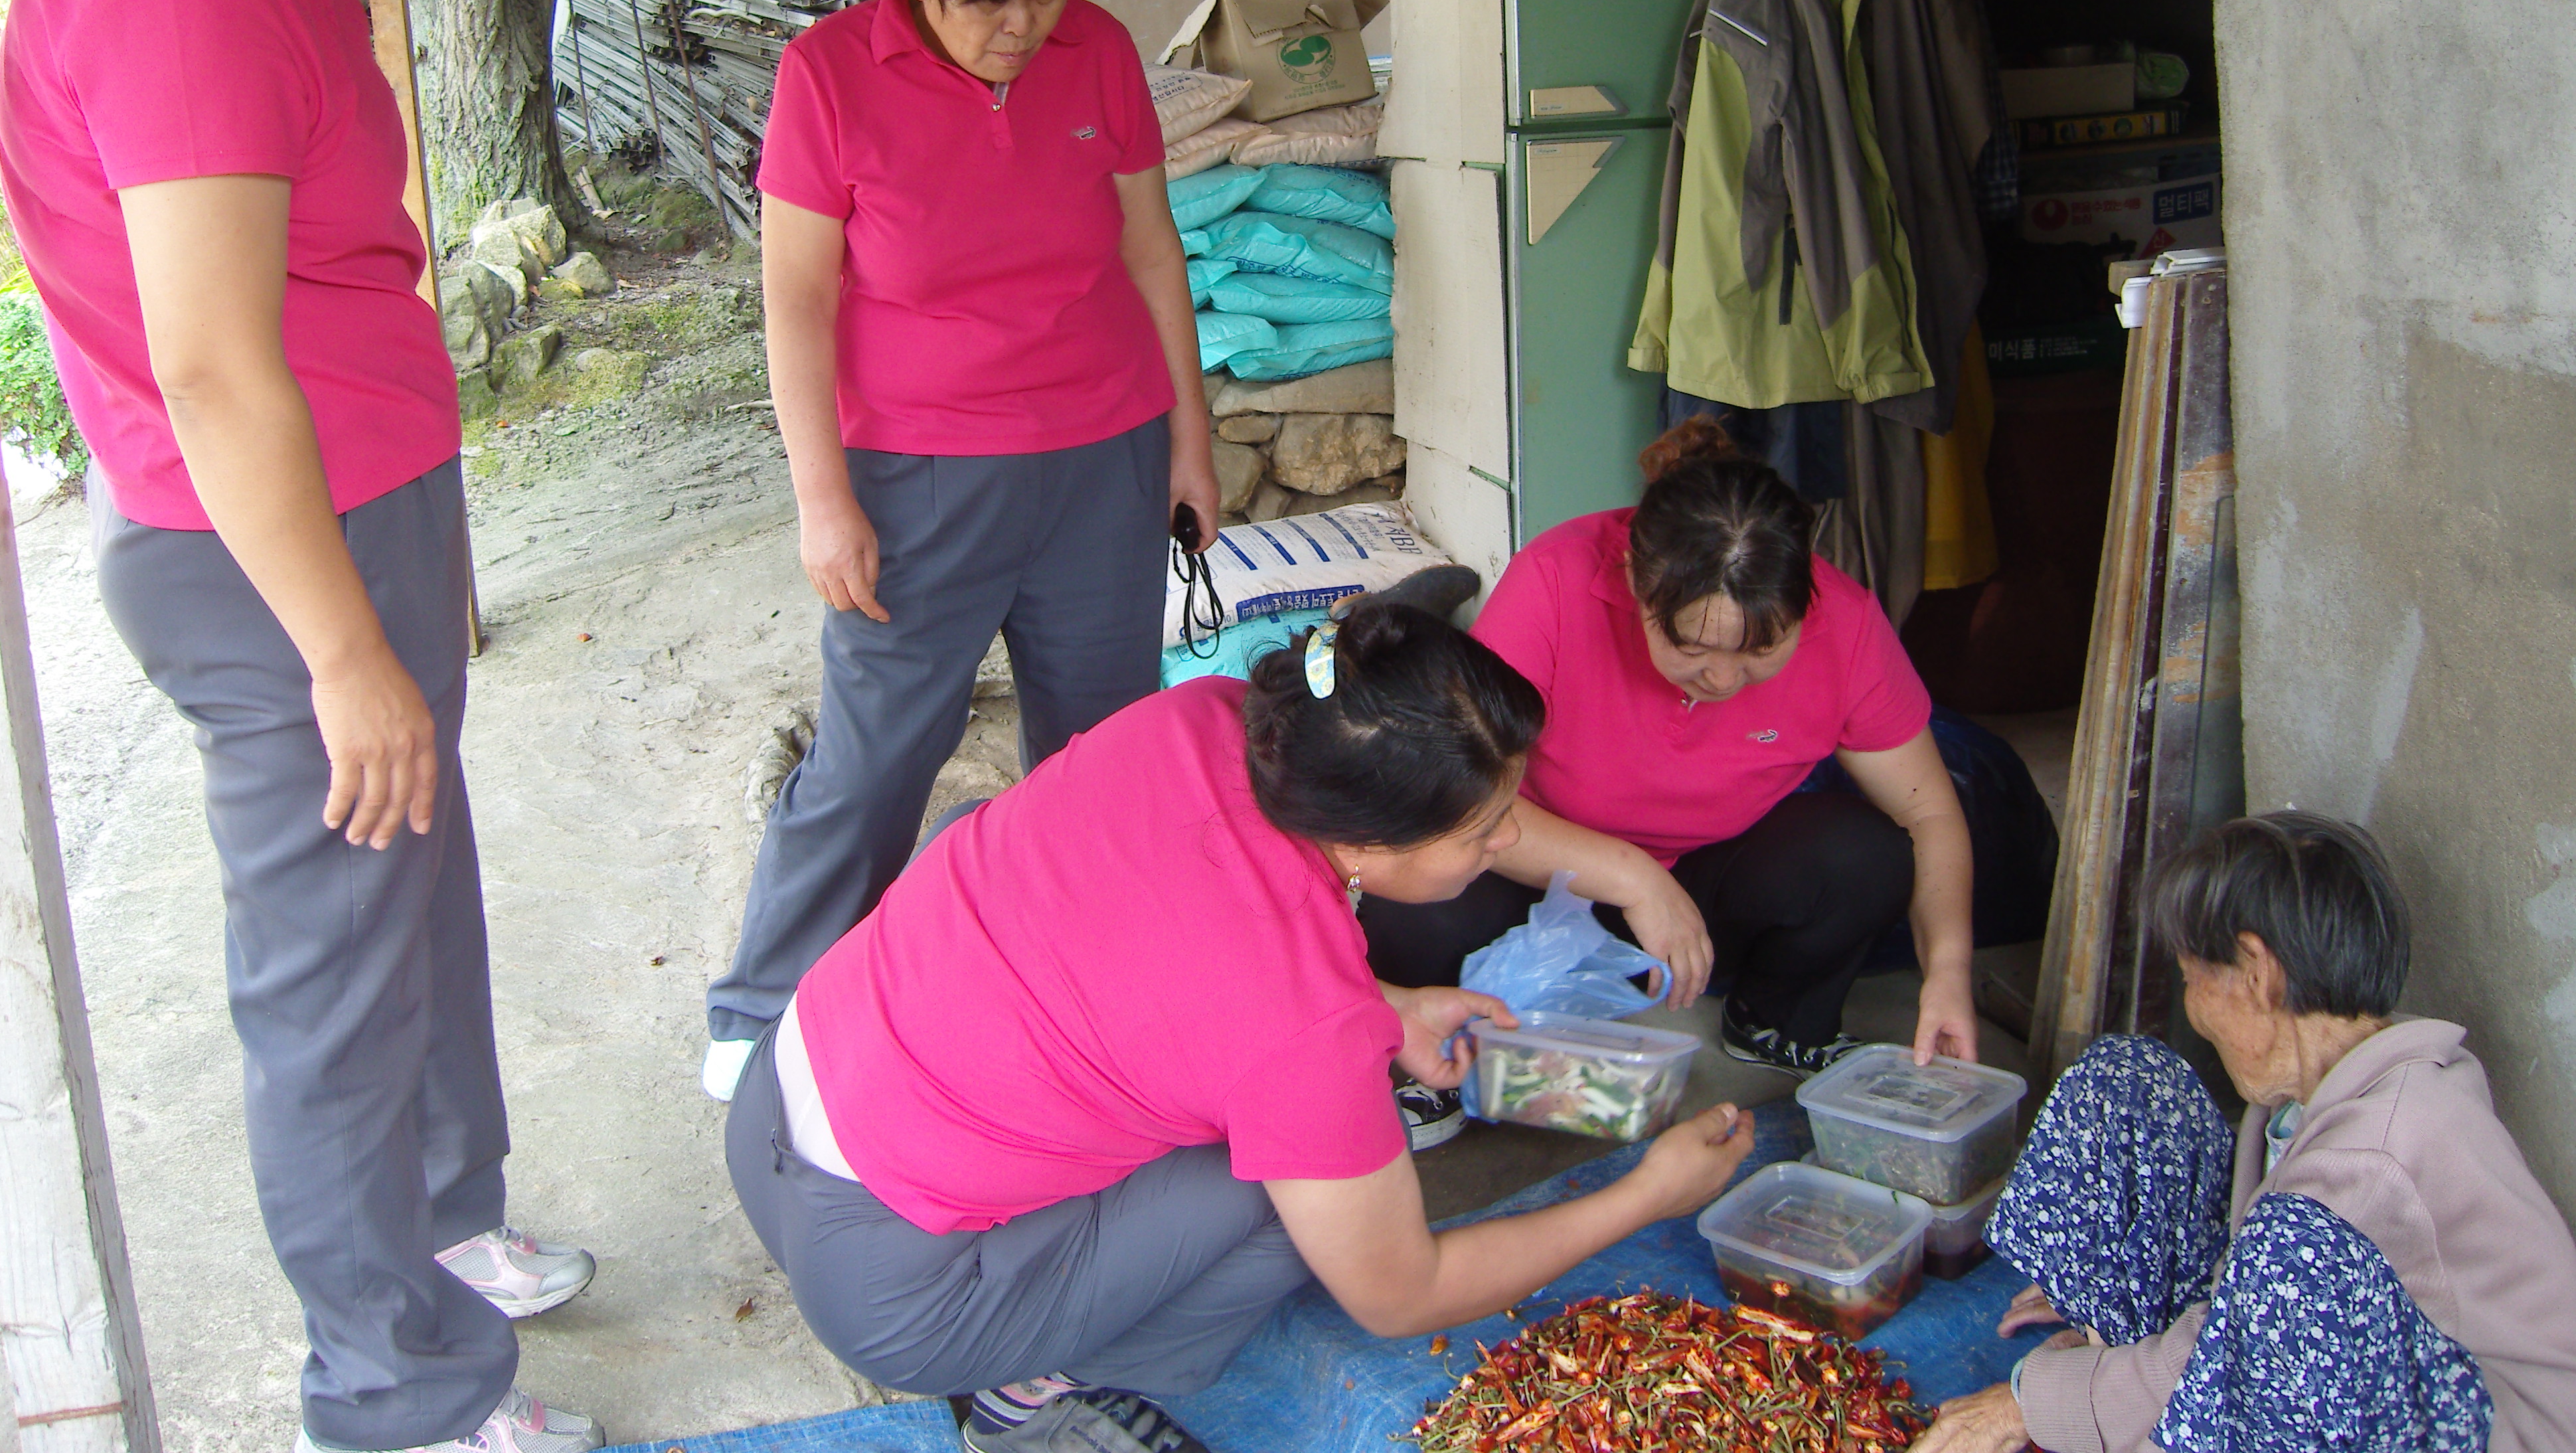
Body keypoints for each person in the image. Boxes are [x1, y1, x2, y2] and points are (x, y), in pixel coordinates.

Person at [0, 0, 599, 1453]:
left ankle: (447, 1222)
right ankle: (393, 1390)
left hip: (359, 494)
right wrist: (342, 651)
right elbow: (208, 363)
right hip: (273, 548)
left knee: (415, 890)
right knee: (336, 969)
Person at [725, 604, 1759, 1453]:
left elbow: (1182, 935)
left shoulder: (1211, 720)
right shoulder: (1307, 1029)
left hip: (777, 1094)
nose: (1508, 842)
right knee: (1292, 1190)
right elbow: (1402, 1295)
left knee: (985, 839)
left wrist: (1389, 1007)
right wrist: (1647, 1195)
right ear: (1366, 844)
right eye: (1484, 832)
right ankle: (1032, 1395)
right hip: (896, 1298)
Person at [704, 0, 1221, 1096]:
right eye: (987, 0)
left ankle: (1098, 984)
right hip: (918, 473)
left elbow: (1152, 251)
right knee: (880, 750)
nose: (1020, 27)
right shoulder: (829, 75)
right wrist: (822, 499)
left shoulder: (1099, 52)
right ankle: (765, 1009)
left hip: (1102, 454)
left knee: (1104, 746)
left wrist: (1189, 442)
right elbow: (797, 304)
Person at [1915, 813, 2576, 1453]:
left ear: (2258, 972)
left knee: (2284, 1252)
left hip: (2477, 1428)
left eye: (2191, 979)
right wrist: (2104, 1309)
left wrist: (2029, 1403)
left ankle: (2122, 1403)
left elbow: (2225, 1348)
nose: (2192, 1007)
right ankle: (2113, 1363)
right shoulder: (2326, 1084)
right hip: (2361, 1365)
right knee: (2127, 1081)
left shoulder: (2374, 1158)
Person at [1361, 418, 1979, 1090]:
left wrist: (1948, 972)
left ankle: (1776, 1021)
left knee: (1864, 854)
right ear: (1636, 581)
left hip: (1703, 893)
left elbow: (1928, 814)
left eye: (1763, 649)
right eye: (1693, 647)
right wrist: (1633, 878)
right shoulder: (1558, 580)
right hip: (1533, 871)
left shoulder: (1849, 625)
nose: (1723, 679)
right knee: (1412, 889)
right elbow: (1452, 796)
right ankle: (1435, 1060)